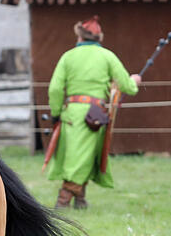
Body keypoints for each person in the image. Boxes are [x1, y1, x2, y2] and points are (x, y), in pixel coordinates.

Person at [46, 16, 141, 209]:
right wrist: (135, 81)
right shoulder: (108, 56)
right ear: (99, 38)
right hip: (95, 113)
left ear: (79, 36)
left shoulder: (68, 56)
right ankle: (63, 201)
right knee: (81, 157)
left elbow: (55, 89)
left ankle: (80, 201)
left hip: (71, 113)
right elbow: (127, 86)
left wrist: (56, 113)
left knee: (83, 156)